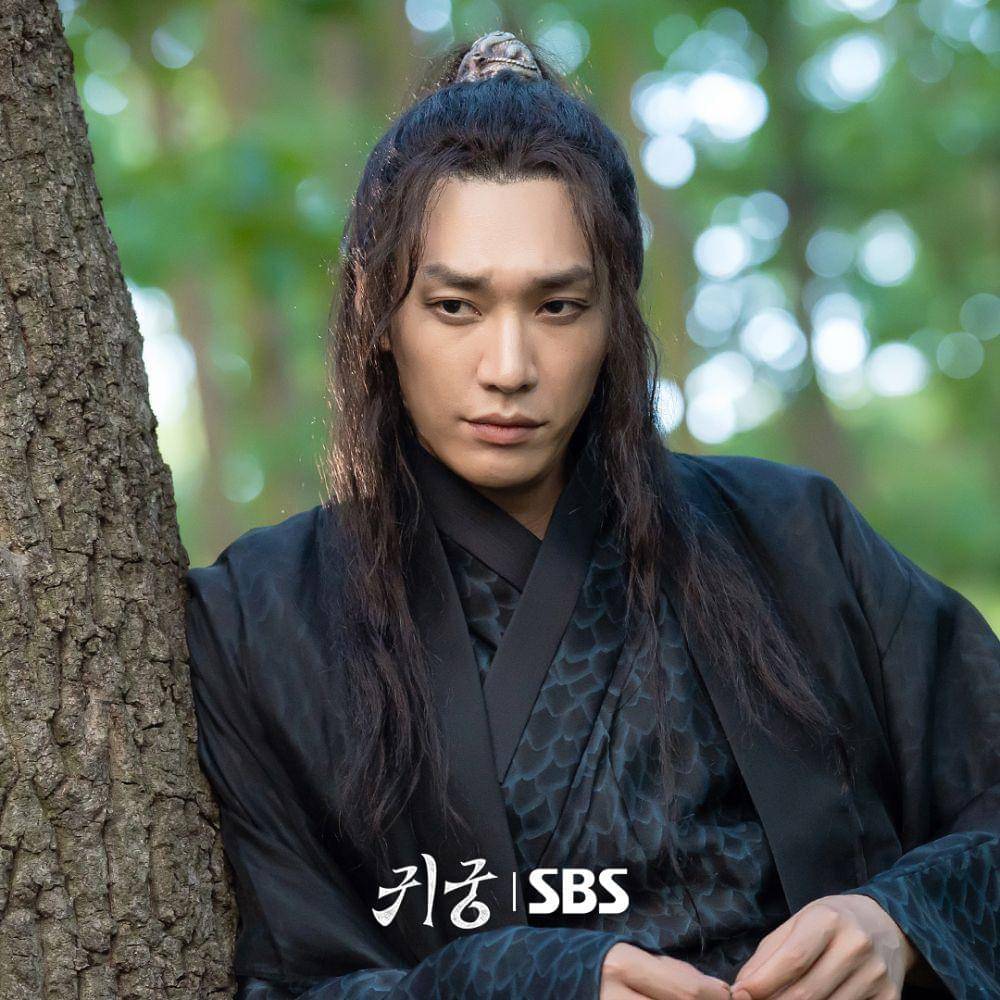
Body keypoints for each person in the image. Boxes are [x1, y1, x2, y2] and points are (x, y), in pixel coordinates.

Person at [184, 29, 999, 1000]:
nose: (509, 368)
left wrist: (903, 920)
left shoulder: (792, 538)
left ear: (616, 312)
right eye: (455, 307)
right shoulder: (256, 617)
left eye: (558, 306)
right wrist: (514, 982)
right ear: (378, 312)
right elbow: (283, 981)